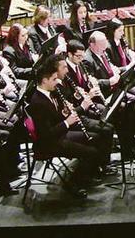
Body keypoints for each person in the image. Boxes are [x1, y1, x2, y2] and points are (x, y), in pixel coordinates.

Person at [26, 55, 112, 197]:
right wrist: (68, 121)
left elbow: (58, 115)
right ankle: (74, 185)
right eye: (54, 80)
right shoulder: (38, 103)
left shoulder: (50, 92)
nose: (57, 82)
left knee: (96, 137)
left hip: (60, 134)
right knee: (90, 152)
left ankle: (90, 172)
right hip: (50, 143)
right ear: (44, 80)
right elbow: (46, 134)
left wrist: (68, 112)